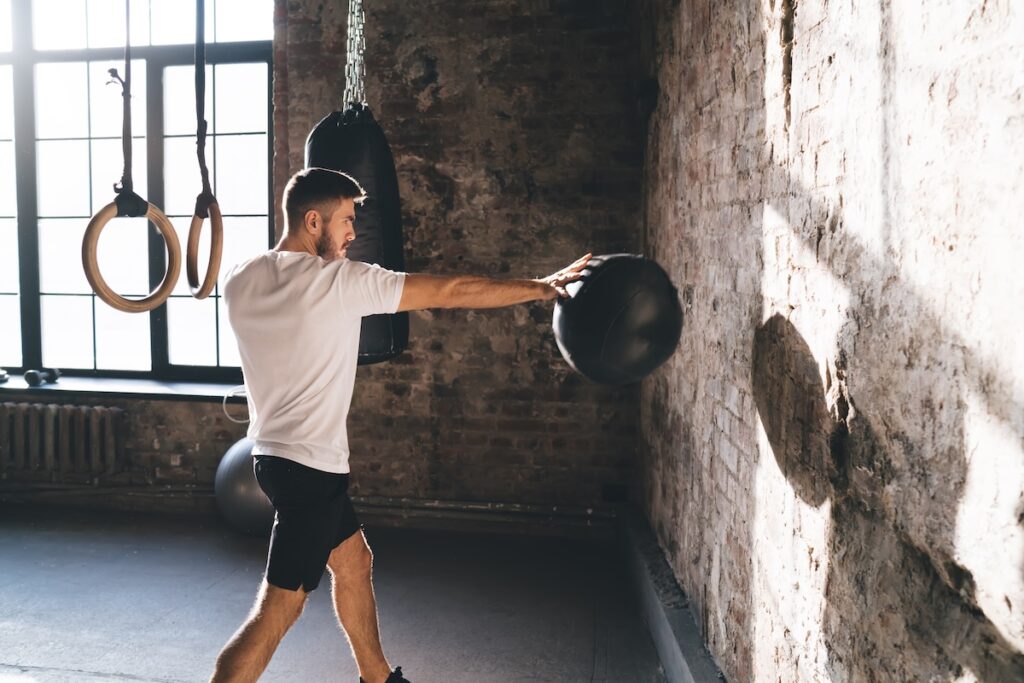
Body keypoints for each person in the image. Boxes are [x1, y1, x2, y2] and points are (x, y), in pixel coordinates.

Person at [211, 167, 590, 683]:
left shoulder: (240, 278)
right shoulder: (339, 284)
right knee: (278, 612)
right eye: (345, 221)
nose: (352, 234)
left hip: (272, 459)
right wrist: (540, 288)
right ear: (313, 220)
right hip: (310, 468)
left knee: (354, 561)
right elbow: (452, 290)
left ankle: (377, 677)